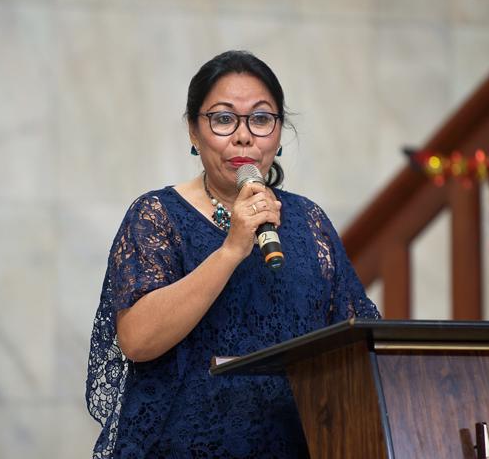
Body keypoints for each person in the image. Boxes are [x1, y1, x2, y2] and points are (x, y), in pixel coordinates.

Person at [86, 50, 381, 458]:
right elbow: (137, 340)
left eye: (260, 119)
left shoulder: (309, 222)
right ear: (193, 131)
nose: (243, 136)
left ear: (279, 132)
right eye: (223, 119)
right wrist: (231, 249)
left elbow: (358, 344)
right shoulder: (157, 215)